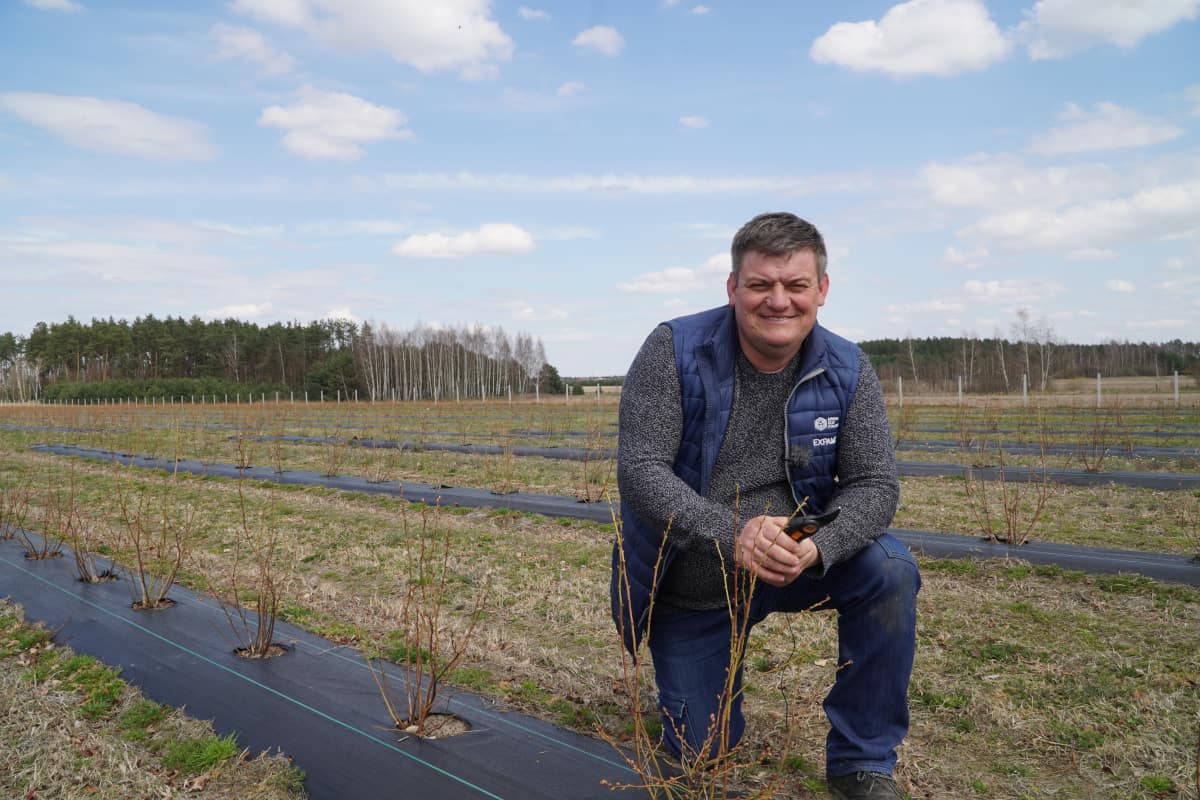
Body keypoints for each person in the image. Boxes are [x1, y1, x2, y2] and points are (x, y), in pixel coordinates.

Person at [611, 212, 920, 800]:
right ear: (733, 289)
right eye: (760, 285)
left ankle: (863, 760)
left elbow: (876, 484)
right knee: (703, 752)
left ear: (821, 291)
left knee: (890, 568)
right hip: (696, 579)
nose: (778, 300)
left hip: (797, 561)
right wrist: (733, 534)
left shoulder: (848, 367)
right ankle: (705, 684)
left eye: (796, 285)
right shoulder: (674, 351)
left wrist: (818, 548)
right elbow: (641, 473)